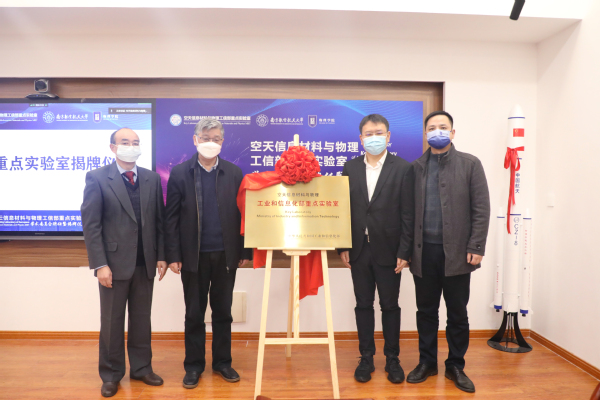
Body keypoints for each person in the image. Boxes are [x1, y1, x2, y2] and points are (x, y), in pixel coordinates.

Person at [406, 110, 490, 393]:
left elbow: (481, 208)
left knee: (457, 313)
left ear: (453, 133)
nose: (437, 131)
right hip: (423, 253)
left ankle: (455, 365)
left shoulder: (470, 164)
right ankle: (427, 362)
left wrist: (476, 245)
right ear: (425, 134)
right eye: (432, 127)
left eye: (443, 127)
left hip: (457, 254)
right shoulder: (415, 168)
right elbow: (408, 213)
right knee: (426, 312)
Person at [165, 118, 251, 389]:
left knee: (223, 312)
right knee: (194, 313)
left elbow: (244, 214)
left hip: (226, 255)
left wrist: (244, 250)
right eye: (205, 138)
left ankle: (222, 363)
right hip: (193, 256)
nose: (210, 143)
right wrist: (173, 254)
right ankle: (193, 366)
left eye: (215, 138)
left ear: (222, 141)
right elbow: (171, 218)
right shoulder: (180, 173)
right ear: (195, 140)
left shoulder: (234, 172)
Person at [81, 127, 167, 398]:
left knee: (142, 320)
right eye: (125, 142)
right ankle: (110, 375)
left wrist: (162, 255)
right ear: (113, 147)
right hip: (113, 265)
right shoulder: (97, 178)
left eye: (136, 142)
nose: (131, 146)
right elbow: (91, 225)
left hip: (145, 262)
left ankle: (141, 368)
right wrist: (100, 264)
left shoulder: (152, 178)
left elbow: (159, 221)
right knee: (112, 322)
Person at [338, 114, 415, 384]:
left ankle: (392, 358)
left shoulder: (403, 168)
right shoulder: (350, 167)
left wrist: (405, 251)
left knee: (390, 306)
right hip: (359, 250)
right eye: (369, 134)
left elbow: (408, 214)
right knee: (363, 305)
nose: (374, 138)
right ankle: (366, 358)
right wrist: (343, 245)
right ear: (361, 138)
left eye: (379, 133)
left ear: (388, 136)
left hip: (390, 250)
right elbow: (343, 210)